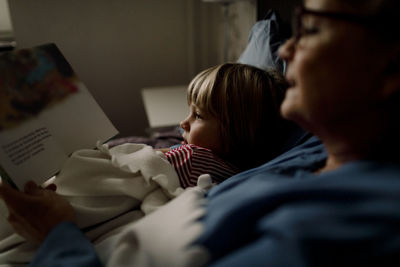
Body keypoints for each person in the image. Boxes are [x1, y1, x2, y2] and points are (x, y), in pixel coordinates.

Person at [1, 0, 400, 265]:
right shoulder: (316, 154)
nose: (283, 51)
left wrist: (57, 236)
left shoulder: (353, 219)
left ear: (390, 67)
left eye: (311, 29)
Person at [165, 63, 297, 187]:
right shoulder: (238, 172)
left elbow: (145, 160)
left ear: (236, 132)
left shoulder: (190, 157)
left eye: (198, 115)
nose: (183, 124)